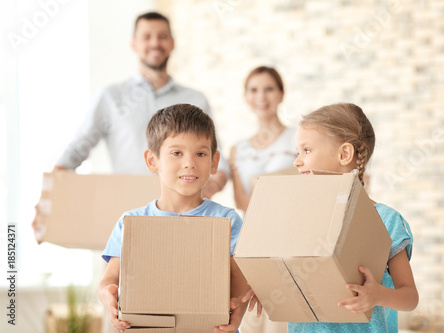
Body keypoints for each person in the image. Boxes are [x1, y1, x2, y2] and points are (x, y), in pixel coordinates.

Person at [32, 12, 227, 239]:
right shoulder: (111, 98)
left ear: (172, 43)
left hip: (185, 222)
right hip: (125, 223)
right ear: (134, 44)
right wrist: (48, 200)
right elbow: (75, 152)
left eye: (162, 36)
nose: (155, 43)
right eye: (147, 37)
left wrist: (207, 186)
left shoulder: (196, 100)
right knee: (117, 275)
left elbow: (217, 158)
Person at [244, 103, 419, 333]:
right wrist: (267, 285)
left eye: (306, 150)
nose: (297, 161)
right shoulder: (298, 218)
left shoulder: (385, 220)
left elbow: (410, 297)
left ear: (344, 154)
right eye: (298, 152)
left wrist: (378, 295)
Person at [97, 104, 249, 333]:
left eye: (200, 153)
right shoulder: (131, 222)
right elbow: (109, 280)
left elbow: (241, 284)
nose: (189, 163)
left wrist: (237, 315)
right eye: (177, 153)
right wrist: (108, 298)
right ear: (152, 160)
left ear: (214, 162)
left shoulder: (226, 220)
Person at [230, 66, 296, 213]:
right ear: (245, 97)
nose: (261, 97)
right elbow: (241, 202)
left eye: (269, 89)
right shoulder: (238, 150)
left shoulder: (298, 138)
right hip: (252, 231)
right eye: (253, 90)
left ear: (282, 94)